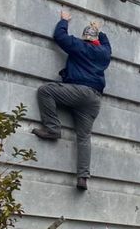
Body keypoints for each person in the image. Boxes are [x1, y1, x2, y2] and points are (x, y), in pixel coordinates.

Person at [33, 10, 112, 191]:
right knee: (84, 137)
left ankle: (53, 128)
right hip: (94, 99)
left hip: (78, 91)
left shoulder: (80, 46)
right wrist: (99, 30)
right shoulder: (104, 53)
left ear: (85, 38)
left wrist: (64, 21)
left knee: (45, 91)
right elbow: (107, 45)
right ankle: (83, 177)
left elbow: (59, 36)